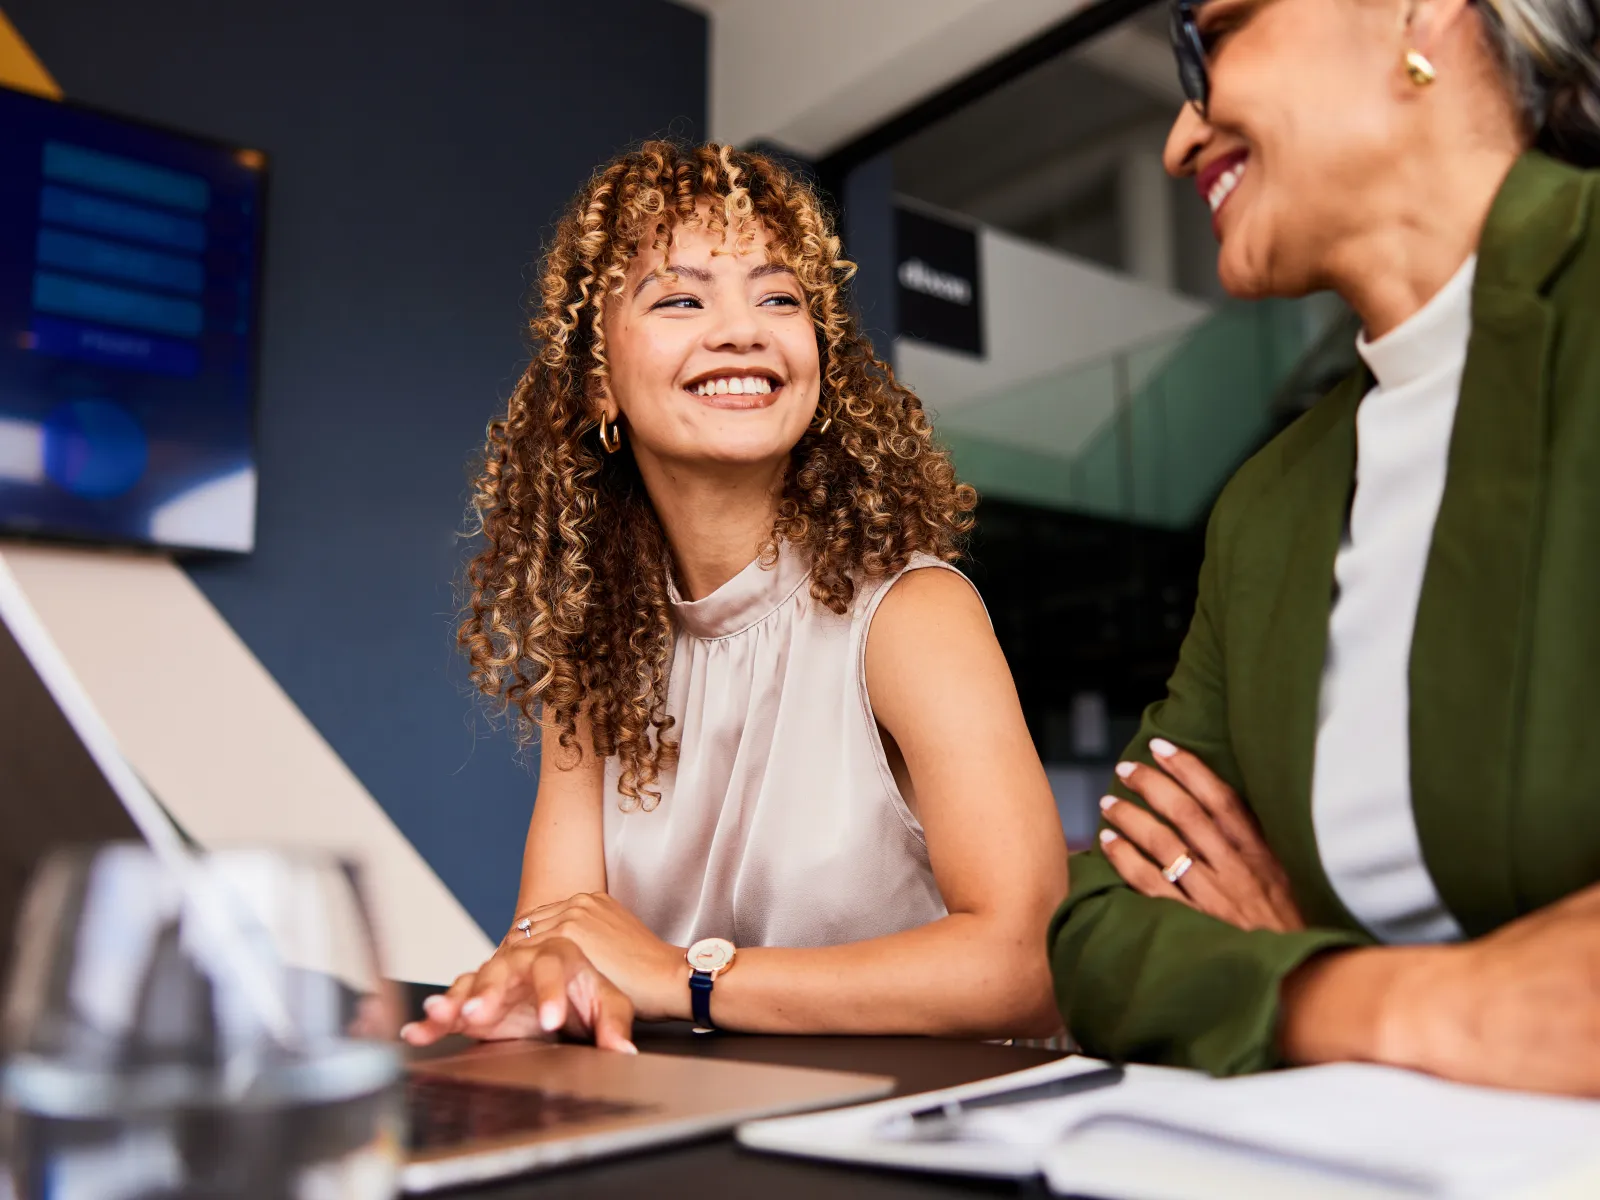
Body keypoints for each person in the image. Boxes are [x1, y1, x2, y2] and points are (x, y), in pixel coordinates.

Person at [403, 142, 1068, 1050]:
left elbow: (1029, 966)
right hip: (709, 1126)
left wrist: (686, 977)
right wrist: (535, 980)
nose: (743, 331)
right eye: (680, 298)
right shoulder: (597, 662)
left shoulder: (912, 615)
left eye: (779, 298)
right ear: (599, 380)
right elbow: (558, 937)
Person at [1050, 0, 1600, 1094]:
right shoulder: (1268, 504)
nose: (1175, 137)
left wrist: (1270, 955)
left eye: (1215, 34)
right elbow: (1103, 925)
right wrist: (1366, 995)